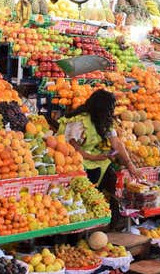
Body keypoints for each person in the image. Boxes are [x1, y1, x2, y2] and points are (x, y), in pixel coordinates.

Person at [57, 90, 141, 222]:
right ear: (100, 109)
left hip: (90, 154)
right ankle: (85, 212)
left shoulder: (103, 120)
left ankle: (109, 213)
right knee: (93, 173)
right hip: (70, 156)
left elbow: (117, 144)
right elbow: (73, 146)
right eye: (109, 109)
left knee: (110, 173)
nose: (111, 112)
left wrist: (130, 165)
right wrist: (93, 157)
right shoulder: (80, 121)